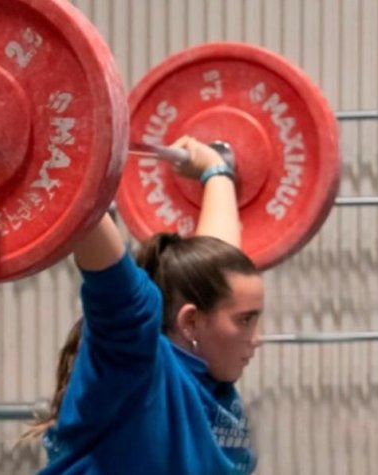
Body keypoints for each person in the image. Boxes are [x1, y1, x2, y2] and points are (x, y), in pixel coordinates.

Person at [25, 137, 264, 474]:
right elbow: (117, 288)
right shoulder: (136, 366)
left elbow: (220, 268)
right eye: (245, 321)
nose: (257, 338)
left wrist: (215, 171)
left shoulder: (208, 370)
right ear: (191, 322)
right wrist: (64, 163)